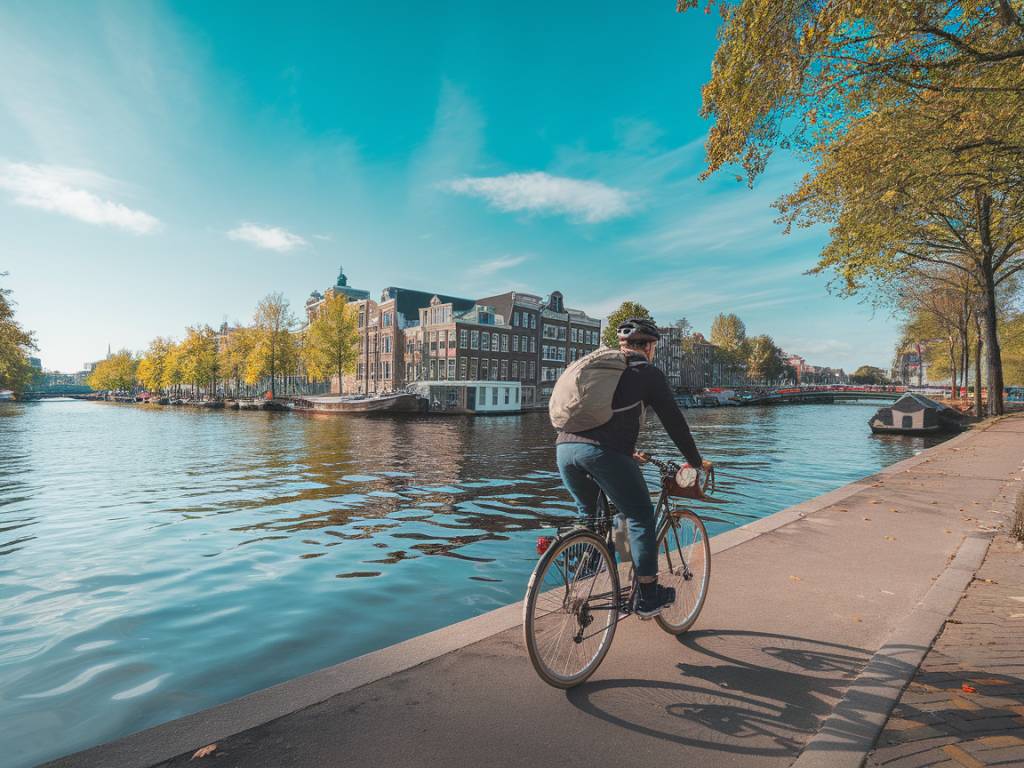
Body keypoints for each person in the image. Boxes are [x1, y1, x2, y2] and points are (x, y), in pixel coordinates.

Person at [555, 317, 707, 618]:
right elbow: (674, 423)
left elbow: (597, 416)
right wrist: (696, 461)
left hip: (564, 449)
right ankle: (648, 595)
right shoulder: (647, 372)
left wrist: (627, 450)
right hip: (603, 453)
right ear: (650, 347)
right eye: (652, 347)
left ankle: (600, 573)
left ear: (622, 345)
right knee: (639, 515)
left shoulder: (601, 369)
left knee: (593, 517)